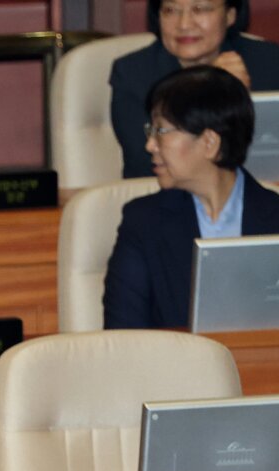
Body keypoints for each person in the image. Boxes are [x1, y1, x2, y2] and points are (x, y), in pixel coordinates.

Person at [104, 65, 279, 329]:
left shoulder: (274, 216)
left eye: (161, 131)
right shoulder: (143, 222)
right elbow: (123, 334)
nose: (150, 145)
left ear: (209, 143)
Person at [111, 0, 279, 179]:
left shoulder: (269, 62)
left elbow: (268, 148)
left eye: (199, 9)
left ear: (230, 15)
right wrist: (217, 92)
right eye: (170, 10)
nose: (184, 24)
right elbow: (146, 162)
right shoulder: (132, 73)